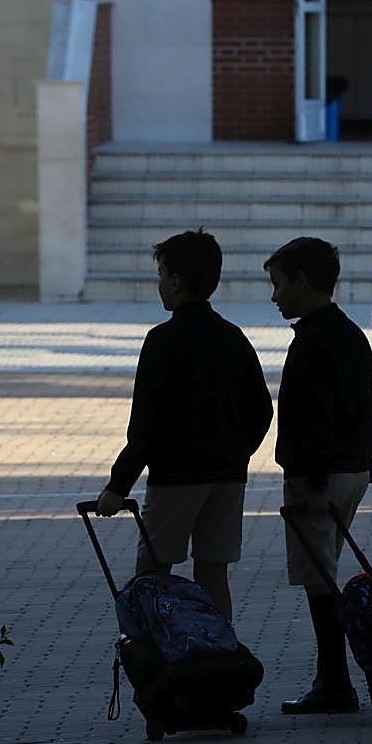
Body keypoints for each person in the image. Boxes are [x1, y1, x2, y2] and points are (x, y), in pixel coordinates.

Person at [95, 229, 272, 621]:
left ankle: (160, 662)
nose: (160, 283)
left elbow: (147, 424)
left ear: (175, 281)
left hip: (176, 476)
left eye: (161, 274)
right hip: (227, 476)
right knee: (213, 574)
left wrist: (117, 484)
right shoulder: (232, 337)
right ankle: (221, 654)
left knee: (153, 574)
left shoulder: (163, 340)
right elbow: (261, 409)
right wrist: (236, 452)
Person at [267, 237, 372, 715]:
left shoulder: (311, 342)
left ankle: (335, 682)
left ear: (302, 282)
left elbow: (313, 420)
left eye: (278, 284)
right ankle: (332, 679)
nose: (275, 297)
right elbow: (363, 406)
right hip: (352, 467)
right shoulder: (350, 333)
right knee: (324, 574)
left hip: (321, 477)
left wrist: (310, 485)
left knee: (320, 581)